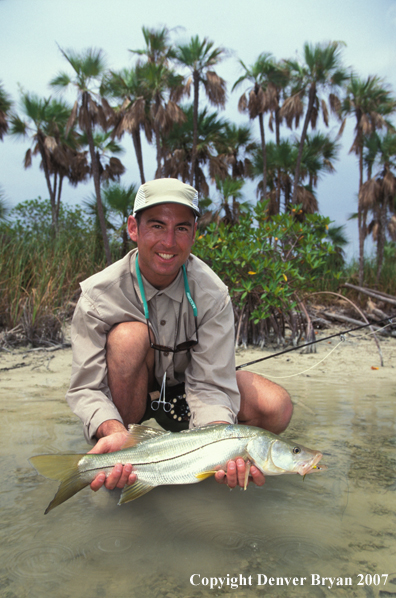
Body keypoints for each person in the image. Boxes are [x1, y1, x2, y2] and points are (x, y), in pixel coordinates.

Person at [66, 178, 293, 494]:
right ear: (133, 228)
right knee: (128, 337)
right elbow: (87, 387)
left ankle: (203, 465)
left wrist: (220, 443)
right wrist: (112, 429)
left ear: (194, 234)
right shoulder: (97, 295)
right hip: (130, 401)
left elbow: (211, 384)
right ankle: (120, 456)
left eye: (182, 228)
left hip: (189, 397)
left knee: (276, 405)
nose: (169, 242)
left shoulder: (213, 294)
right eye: (157, 226)